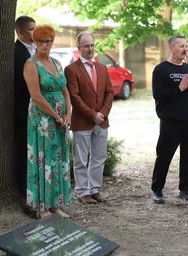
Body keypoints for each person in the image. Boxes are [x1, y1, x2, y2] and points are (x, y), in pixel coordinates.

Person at [24, 25, 72, 218]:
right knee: (43, 158)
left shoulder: (57, 63)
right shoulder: (31, 64)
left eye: (48, 41)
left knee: (57, 158)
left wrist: (69, 114)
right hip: (42, 120)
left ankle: (55, 204)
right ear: (35, 42)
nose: (45, 45)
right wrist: (56, 115)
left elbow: (65, 91)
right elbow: (36, 96)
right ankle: (41, 207)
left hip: (60, 120)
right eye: (41, 41)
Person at [151, 35, 188, 204]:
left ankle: (185, 189)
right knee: (164, 156)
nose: (184, 49)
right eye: (181, 46)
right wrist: (179, 88)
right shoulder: (161, 69)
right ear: (171, 47)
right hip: (170, 122)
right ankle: (157, 190)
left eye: (186, 47)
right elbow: (158, 95)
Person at [65, 32, 114, 204]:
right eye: (86, 46)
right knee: (80, 159)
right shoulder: (71, 70)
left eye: (92, 45)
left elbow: (109, 92)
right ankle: (82, 191)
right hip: (82, 122)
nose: (90, 48)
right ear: (79, 48)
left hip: (102, 121)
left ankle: (94, 189)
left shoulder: (102, 68)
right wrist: (93, 115)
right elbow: (74, 97)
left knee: (99, 157)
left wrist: (103, 114)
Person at [14, 16, 36, 199]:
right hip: (24, 110)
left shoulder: (38, 49)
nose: (35, 32)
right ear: (20, 32)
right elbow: (20, 83)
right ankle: (22, 191)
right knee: (23, 151)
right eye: (31, 29)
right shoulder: (16, 52)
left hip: (39, 111)